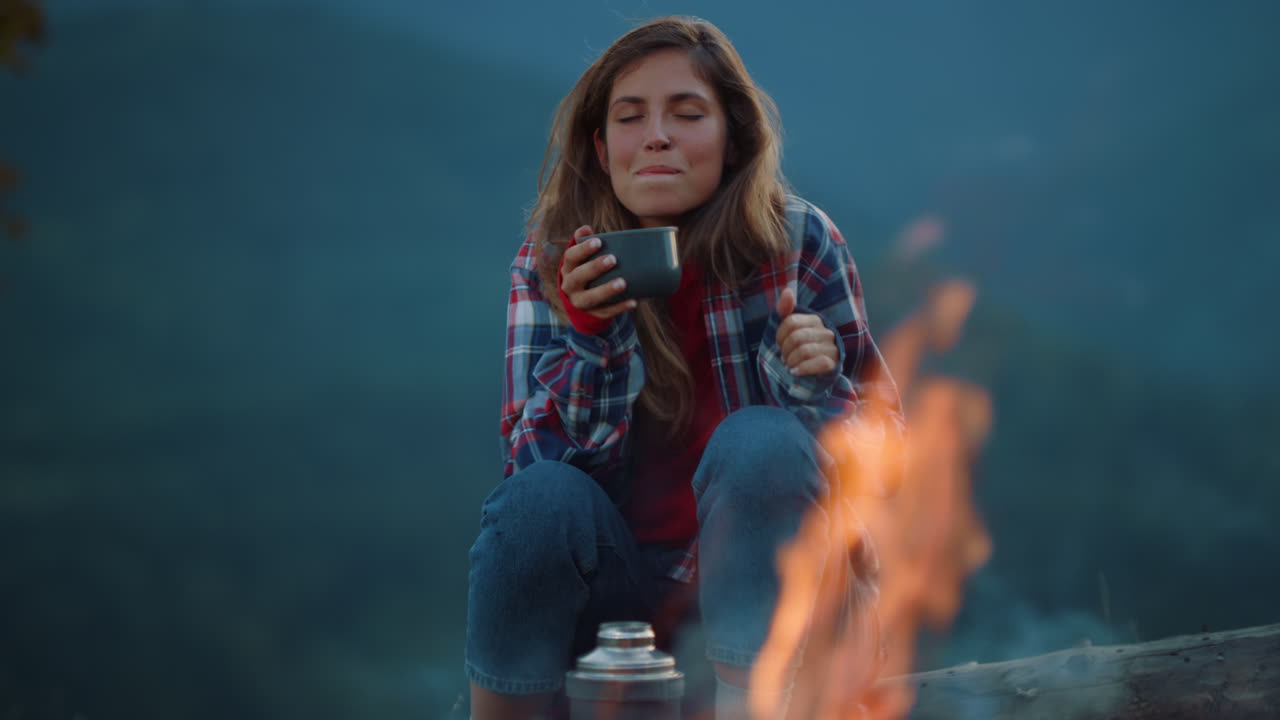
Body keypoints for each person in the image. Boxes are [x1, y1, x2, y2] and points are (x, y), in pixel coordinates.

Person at [465, 16, 904, 720]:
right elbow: (532, 477)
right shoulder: (550, 263)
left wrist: (818, 386)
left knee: (760, 440)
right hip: (613, 625)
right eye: (630, 118)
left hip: (780, 622)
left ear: (732, 139)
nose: (658, 136)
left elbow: (891, 462)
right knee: (538, 501)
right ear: (603, 151)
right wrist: (591, 334)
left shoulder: (798, 241)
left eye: (688, 113)